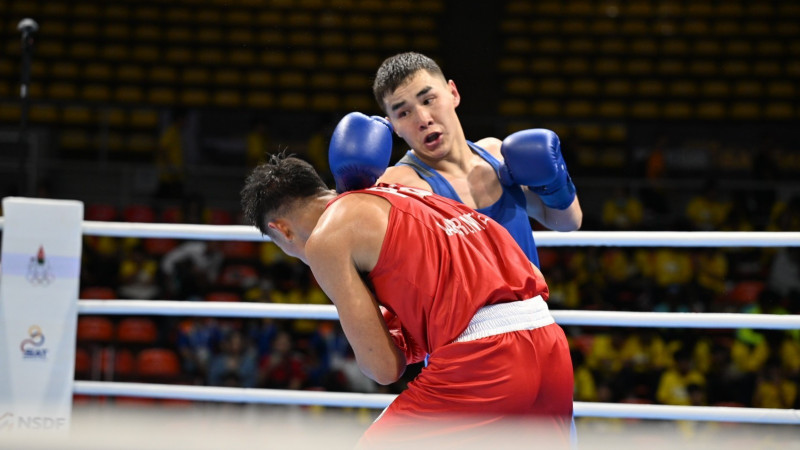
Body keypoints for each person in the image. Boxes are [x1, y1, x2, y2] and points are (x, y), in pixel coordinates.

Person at [241, 154, 574, 448]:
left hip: (486, 361)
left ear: (282, 230)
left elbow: (384, 368)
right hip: (549, 344)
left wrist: (385, 340)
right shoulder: (403, 192)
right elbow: (531, 274)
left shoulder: (325, 239)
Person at [328, 52, 582, 268]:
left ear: (453, 93)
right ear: (393, 126)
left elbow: (568, 222)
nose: (423, 118)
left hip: (532, 320)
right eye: (403, 112)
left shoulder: (498, 156)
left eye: (428, 100)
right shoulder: (398, 186)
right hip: (460, 326)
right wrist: (348, 192)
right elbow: (341, 253)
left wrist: (555, 185)